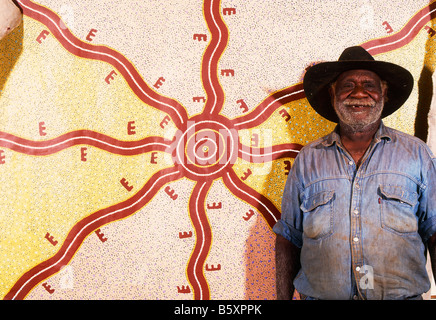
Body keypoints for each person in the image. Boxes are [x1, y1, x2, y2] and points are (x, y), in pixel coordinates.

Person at [273, 46, 436, 300]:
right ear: (332, 93)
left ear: (384, 92)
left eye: (369, 85)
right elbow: (288, 238)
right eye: (348, 85)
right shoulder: (308, 159)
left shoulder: (416, 154)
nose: (359, 93)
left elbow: (434, 232)